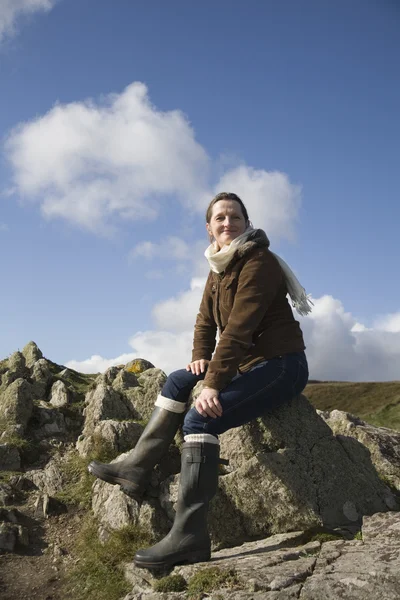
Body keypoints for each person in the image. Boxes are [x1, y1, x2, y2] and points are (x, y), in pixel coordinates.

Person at [89, 192, 312, 570]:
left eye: (235, 217)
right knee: (178, 380)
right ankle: (136, 468)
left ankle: (189, 536)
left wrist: (212, 384)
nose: (228, 223)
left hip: (281, 366)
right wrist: (198, 360)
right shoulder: (219, 268)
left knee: (200, 419)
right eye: (220, 218)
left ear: (246, 222)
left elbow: (239, 330)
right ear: (209, 229)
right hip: (249, 364)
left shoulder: (260, 262)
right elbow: (205, 322)